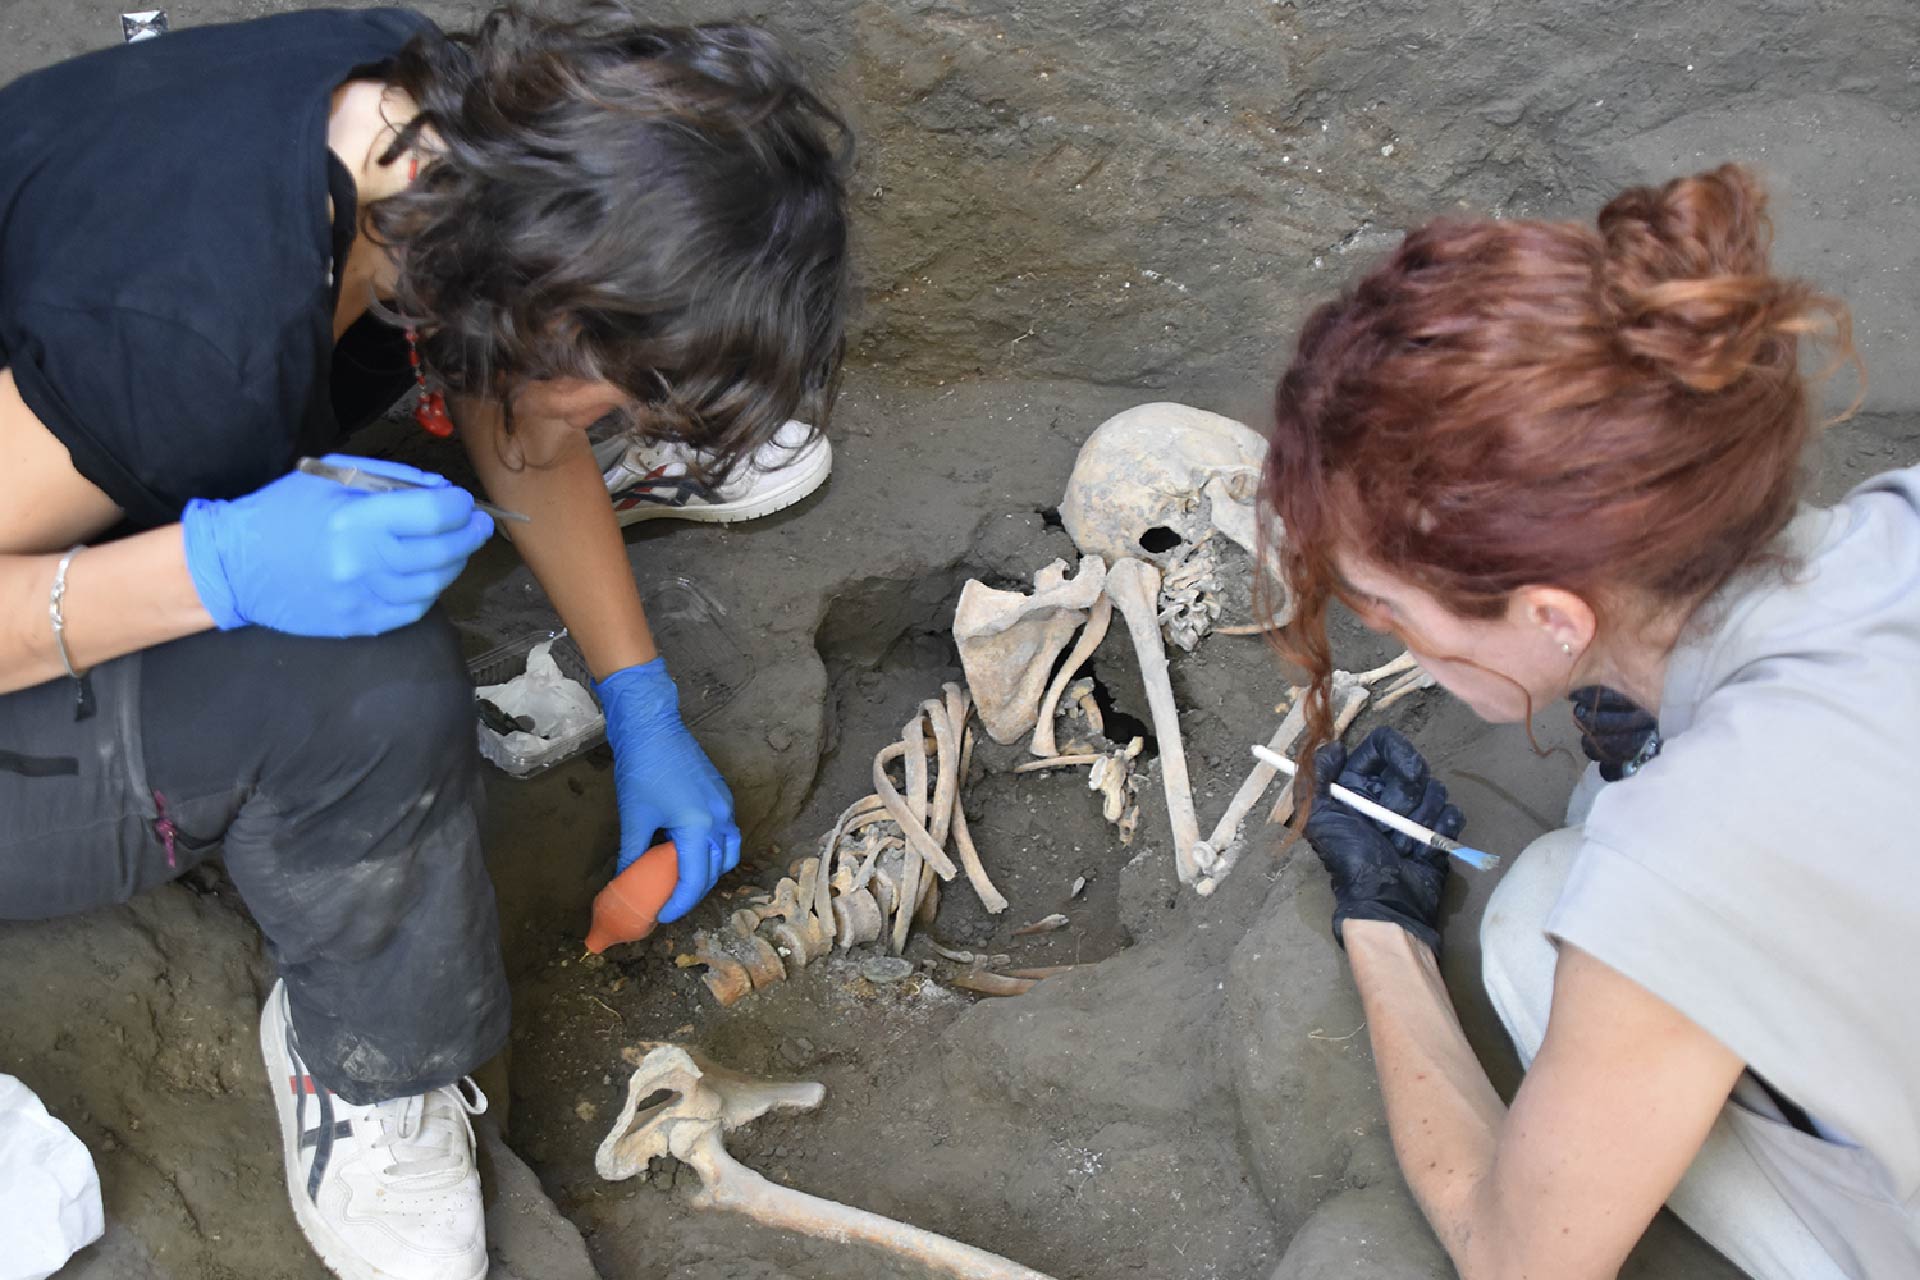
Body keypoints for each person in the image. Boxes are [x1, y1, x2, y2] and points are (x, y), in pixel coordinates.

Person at [0, 4, 849, 1278]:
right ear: (553, 306)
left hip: (56, 427)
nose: (618, 427)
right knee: (368, 693)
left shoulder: (434, 133)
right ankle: (359, 1063)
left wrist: (638, 697)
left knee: (387, 488)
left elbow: (518, 417)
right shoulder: (189, 336)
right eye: (627, 394)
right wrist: (212, 569)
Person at [1261, 163, 1918, 1279]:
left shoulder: (1689, 856)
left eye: (1401, 615)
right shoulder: (1898, 515)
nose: (1403, 647)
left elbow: (1522, 1258)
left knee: (1533, 923)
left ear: (1557, 614)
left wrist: (1383, 924)